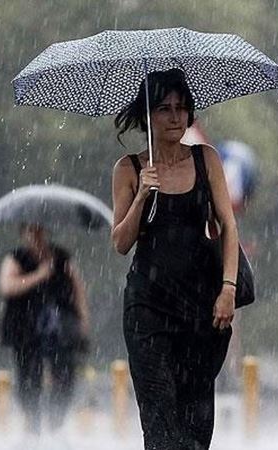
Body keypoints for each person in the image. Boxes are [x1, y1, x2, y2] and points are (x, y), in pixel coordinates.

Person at [111, 68, 237, 449]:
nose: (175, 117)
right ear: (147, 115)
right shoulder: (129, 169)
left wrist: (228, 288)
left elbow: (228, 227)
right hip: (148, 307)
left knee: (197, 421)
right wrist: (142, 196)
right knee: (161, 419)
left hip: (199, 304)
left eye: (182, 108)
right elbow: (120, 242)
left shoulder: (206, 160)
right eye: (164, 108)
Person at [0, 223, 90, 435]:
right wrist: (38, 275)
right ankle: (32, 425)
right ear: (24, 233)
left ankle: (56, 424)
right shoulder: (16, 258)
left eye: (40, 230)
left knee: (65, 375)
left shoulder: (61, 257)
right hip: (26, 330)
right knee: (28, 377)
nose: (37, 236)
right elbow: (7, 286)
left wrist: (83, 321)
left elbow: (78, 290)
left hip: (60, 330)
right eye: (31, 231)